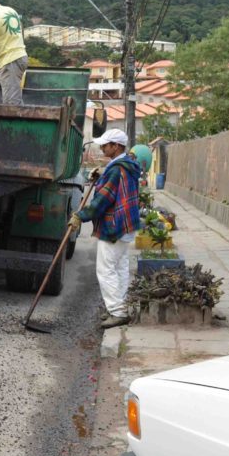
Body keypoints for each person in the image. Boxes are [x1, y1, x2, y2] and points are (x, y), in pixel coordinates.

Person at [69, 129, 141, 329]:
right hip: (125, 224)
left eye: (105, 145)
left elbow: (103, 200)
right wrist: (102, 173)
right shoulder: (126, 164)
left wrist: (80, 216)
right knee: (119, 267)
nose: (102, 148)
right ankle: (120, 307)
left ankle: (117, 312)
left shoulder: (117, 169)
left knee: (106, 269)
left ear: (116, 146)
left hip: (114, 225)